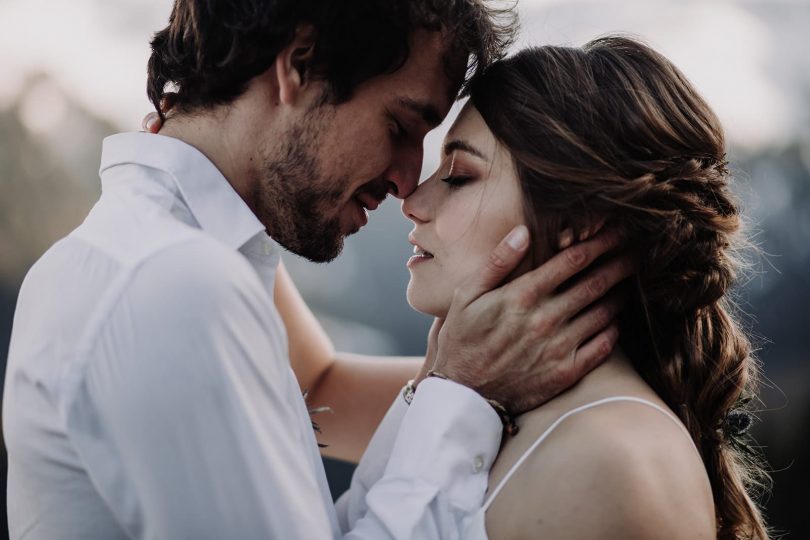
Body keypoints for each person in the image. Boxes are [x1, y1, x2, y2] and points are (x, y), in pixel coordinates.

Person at [3, 2, 631, 539]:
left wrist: (452, 381)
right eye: (401, 125)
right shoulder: (173, 283)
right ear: (300, 64)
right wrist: (463, 393)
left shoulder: (165, 254)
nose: (409, 181)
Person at [342, 37, 771, 539]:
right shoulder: (495, 394)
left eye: (458, 175)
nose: (411, 201)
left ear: (578, 222)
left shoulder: (606, 464)